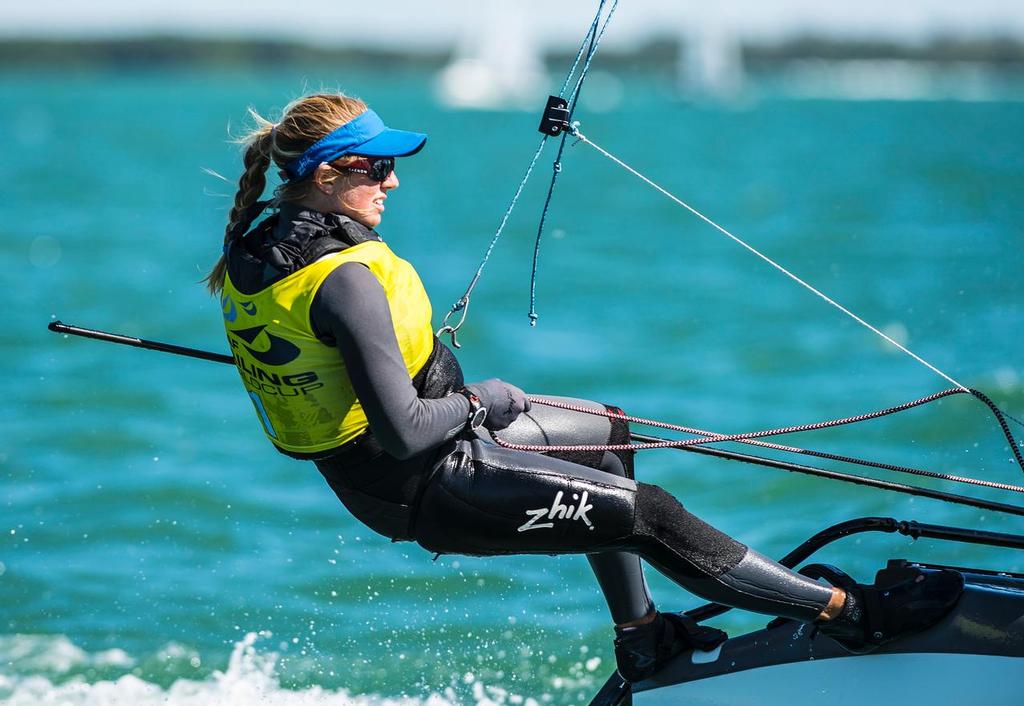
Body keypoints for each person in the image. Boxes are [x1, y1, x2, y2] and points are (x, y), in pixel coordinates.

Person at [207, 92, 964, 683]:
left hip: (418, 459)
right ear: (328, 172)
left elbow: (316, 359)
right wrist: (482, 402)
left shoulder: (259, 248)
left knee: (611, 432)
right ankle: (853, 612)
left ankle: (641, 639)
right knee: (649, 515)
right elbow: (405, 429)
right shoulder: (344, 280)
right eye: (377, 168)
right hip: (422, 482)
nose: (393, 180)